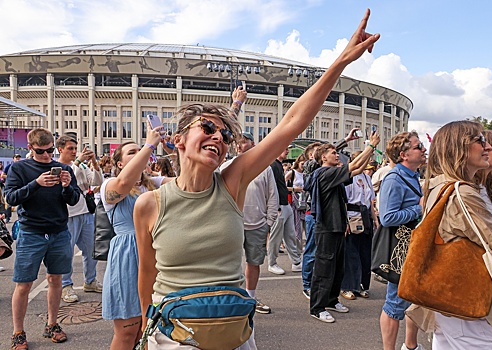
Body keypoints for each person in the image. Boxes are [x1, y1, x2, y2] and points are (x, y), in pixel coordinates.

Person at [135, 9, 380, 348]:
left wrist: (339, 63)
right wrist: (146, 326)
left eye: (224, 134)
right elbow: (146, 274)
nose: (219, 138)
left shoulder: (233, 182)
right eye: (207, 128)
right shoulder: (149, 204)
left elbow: (291, 123)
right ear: (178, 140)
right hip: (174, 336)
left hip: (232, 330)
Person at [415, 120, 492, 349]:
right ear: (459, 148)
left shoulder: (442, 185)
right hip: (471, 297)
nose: (487, 147)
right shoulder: (462, 191)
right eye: (479, 140)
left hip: (452, 294)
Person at [5, 128, 81, 349]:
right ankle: (18, 332)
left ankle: (52, 324)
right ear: (30, 148)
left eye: (50, 151)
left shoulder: (64, 169)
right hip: (31, 232)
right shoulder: (19, 168)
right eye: (41, 152)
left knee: (56, 280)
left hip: (58, 232)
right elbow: (10, 197)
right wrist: (36, 183)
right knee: (24, 284)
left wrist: (67, 186)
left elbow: (74, 200)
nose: (47, 157)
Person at [100, 133, 172, 349]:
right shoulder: (109, 185)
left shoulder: (155, 184)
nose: (140, 153)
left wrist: (173, 152)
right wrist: (150, 144)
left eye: (140, 150)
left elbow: (187, 181)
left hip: (157, 255)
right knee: (128, 332)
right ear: (119, 163)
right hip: (128, 258)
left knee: (152, 328)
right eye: (133, 152)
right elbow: (123, 183)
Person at [306, 133, 379, 323]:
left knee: (338, 267)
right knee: (324, 268)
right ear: (323, 157)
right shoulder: (325, 173)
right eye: (333, 153)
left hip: (338, 226)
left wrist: (368, 153)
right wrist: (370, 146)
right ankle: (317, 307)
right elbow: (353, 166)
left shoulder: (333, 173)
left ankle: (331, 300)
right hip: (327, 228)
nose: (337, 155)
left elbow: (357, 170)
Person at [221, 131, 279, 314]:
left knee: (254, 263)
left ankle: (250, 298)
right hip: (233, 224)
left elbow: (272, 196)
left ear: (253, 144)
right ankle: (231, 299)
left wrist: (268, 222)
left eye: (244, 142)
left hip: (257, 225)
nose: (239, 145)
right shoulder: (226, 166)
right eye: (237, 142)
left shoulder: (265, 168)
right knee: (230, 265)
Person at [378, 131, 426, 350]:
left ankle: (410, 345)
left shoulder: (413, 175)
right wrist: (419, 208)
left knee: (413, 299)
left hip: (414, 246)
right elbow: (387, 217)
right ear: (403, 154)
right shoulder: (394, 178)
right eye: (418, 147)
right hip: (401, 249)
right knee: (395, 303)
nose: (424, 149)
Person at [56, 136, 104, 303]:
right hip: (68, 214)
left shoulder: (82, 165)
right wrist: (76, 162)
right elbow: (70, 181)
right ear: (60, 149)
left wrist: (94, 163)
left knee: (92, 250)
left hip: (86, 213)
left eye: (75, 148)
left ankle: (90, 281)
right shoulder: (57, 167)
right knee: (67, 252)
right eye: (70, 148)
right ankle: (66, 285)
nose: (74, 152)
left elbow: (97, 181)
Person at [340, 151, 378, 301]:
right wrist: (345, 222)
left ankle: (361, 284)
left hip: (365, 216)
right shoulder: (349, 177)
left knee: (364, 254)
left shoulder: (367, 178)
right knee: (351, 254)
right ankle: (347, 286)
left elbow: (370, 202)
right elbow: (343, 201)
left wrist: (375, 218)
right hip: (352, 216)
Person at [268, 147, 302, 275]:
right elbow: (271, 187)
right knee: (276, 238)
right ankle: (272, 263)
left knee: (290, 235)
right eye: (285, 149)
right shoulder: (273, 165)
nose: (287, 151)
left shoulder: (277, 165)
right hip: (279, 206)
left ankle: (296, 262)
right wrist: (274, 207)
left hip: (284, 205)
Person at [301, 142, 322, 299]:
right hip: (312, 213)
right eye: (318, 151)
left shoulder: (324, 169)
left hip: (323, 214)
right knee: (311, 250)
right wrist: (344, 142)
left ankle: (317, 282)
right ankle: (307, 284)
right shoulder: (309, 166)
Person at [285, 153, 307, 251]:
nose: (303, 167)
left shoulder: (306, 174)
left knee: (305, 225)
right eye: (302, 164)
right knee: (297, 226)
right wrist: (295, 189)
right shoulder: (292, 173)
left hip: (304, 201)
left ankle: (302, 247)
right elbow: (282, 186)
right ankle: (297, 249)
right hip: (295, 202)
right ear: (298, 163)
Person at [3, 154, 22, 223]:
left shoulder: (21, 166)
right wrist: (11, 177)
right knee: (9, 203)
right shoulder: (9, 166)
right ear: (13, 158)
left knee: (21, 204)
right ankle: (7, 217)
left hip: (19, 187)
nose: (17, 159)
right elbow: (3, 175)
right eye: (16, 158)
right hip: (11, 186)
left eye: (19, 158)